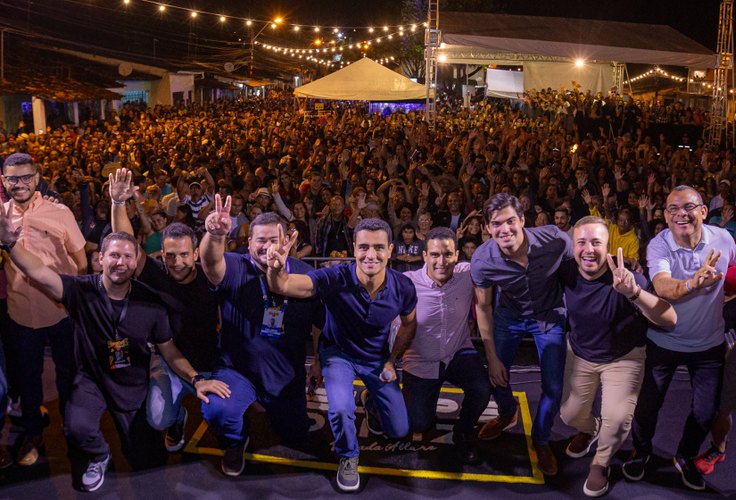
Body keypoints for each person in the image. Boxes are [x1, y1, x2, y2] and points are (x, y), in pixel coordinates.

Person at [0, 224, 229, 492]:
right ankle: (99, 455)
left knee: (147, 461)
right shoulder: (79, 290)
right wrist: (10, 244)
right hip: (91, 381)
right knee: (77, 428)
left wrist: (196, 378)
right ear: (100, 259)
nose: (120, 262)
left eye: (128, 257)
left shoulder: (152, 302)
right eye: (114, 256)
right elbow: (38, 271)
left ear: (137, 262)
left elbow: (168, 349)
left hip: (132, 385)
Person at [266, 217, 417, 492]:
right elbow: (284, 286)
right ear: (354, 248)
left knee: (399, 429)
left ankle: (370, 399)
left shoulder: (403, 287)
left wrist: (392, 360)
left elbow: (409, 324)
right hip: (338, 354)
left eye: (379, 248)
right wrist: (277, 269)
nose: (371, 255)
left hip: (376, 358)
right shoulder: (335, 277)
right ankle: (348, 457)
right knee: (340, 408)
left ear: (391, 250)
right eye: (364, 247)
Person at [199, 198, 324, 478]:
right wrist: (215, 234)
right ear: (248, 241)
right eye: (260, 240)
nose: (267, 246)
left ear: (287, 239)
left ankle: (280, 412)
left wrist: (318, 360)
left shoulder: (305, 274)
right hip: (238, 371)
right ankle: (235, 440)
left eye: (274, 239)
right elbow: (210, 262)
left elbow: (320, 324)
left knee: (295, 434)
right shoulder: (235, 265)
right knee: (219, 411)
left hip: (284, 374)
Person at [623, 185, 736, 491]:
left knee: (704, 413)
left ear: (703, 211)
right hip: (664, 341)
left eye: (687, 207)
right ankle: (642, 451)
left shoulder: (724, 239)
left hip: (709, 345)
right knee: (647, 407)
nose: (679, 214)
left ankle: (685, 456)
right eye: (671, 209)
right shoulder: (659, 246)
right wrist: (693, 283)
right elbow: (662, 287)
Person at [559, 218, 676, 497]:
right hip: (580, 353)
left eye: (596, 242)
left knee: (618, 420)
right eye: (582, 242)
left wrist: (634, 292)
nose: (589, 249)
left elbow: (670, 319)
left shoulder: (627, 276)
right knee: (569, 414)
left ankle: (600, 463)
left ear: (608, 247)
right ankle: (589, 429)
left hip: (624, 357)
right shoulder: (565, 271)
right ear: (572, 247)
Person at [109, 168, 220, 453]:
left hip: (212, 363)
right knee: (158, 419)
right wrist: (118, 203)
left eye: (184, 254)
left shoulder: (212, 277)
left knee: (224, 416)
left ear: (195, 254)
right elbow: (126, 242)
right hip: (169, 363)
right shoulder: (158, 274)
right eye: (170, 255)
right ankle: (177, 419)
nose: (177, 262)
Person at [471, 192, 572, 476]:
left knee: (553, 387)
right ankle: (506, 412)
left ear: (523, 220)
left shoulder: (555, 240)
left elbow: (585, 265)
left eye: (510, 221)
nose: (504, 229)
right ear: (488, 228)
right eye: (496, 224)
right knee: (495, 374)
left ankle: (540, 439)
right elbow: (483, 305)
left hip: (550, 315)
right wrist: (491, 356)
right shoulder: (482, 259)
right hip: (509, 316)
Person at [1, 152, 87, 466]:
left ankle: (71, 426)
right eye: (12, 178)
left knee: (69, 374)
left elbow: (81, 262)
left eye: (26, 177)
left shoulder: (60, 213)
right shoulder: (1, 217)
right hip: (20, 313)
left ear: (37, 178)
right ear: (3, 181)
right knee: (28, 378)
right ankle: (33, 433)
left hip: (61, 313)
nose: (19, 184)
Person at [401, 226, 491, 463]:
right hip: (421, 361)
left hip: (457, 352)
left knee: (482, 389)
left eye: (447, 254)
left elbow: (499, 259)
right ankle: (374, 401)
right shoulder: (406, 284)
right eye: (435, 255)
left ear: (457, 255)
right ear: (424, 256)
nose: (441, 261)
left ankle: (463, 432)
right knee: (419, 423)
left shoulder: (467, 273)